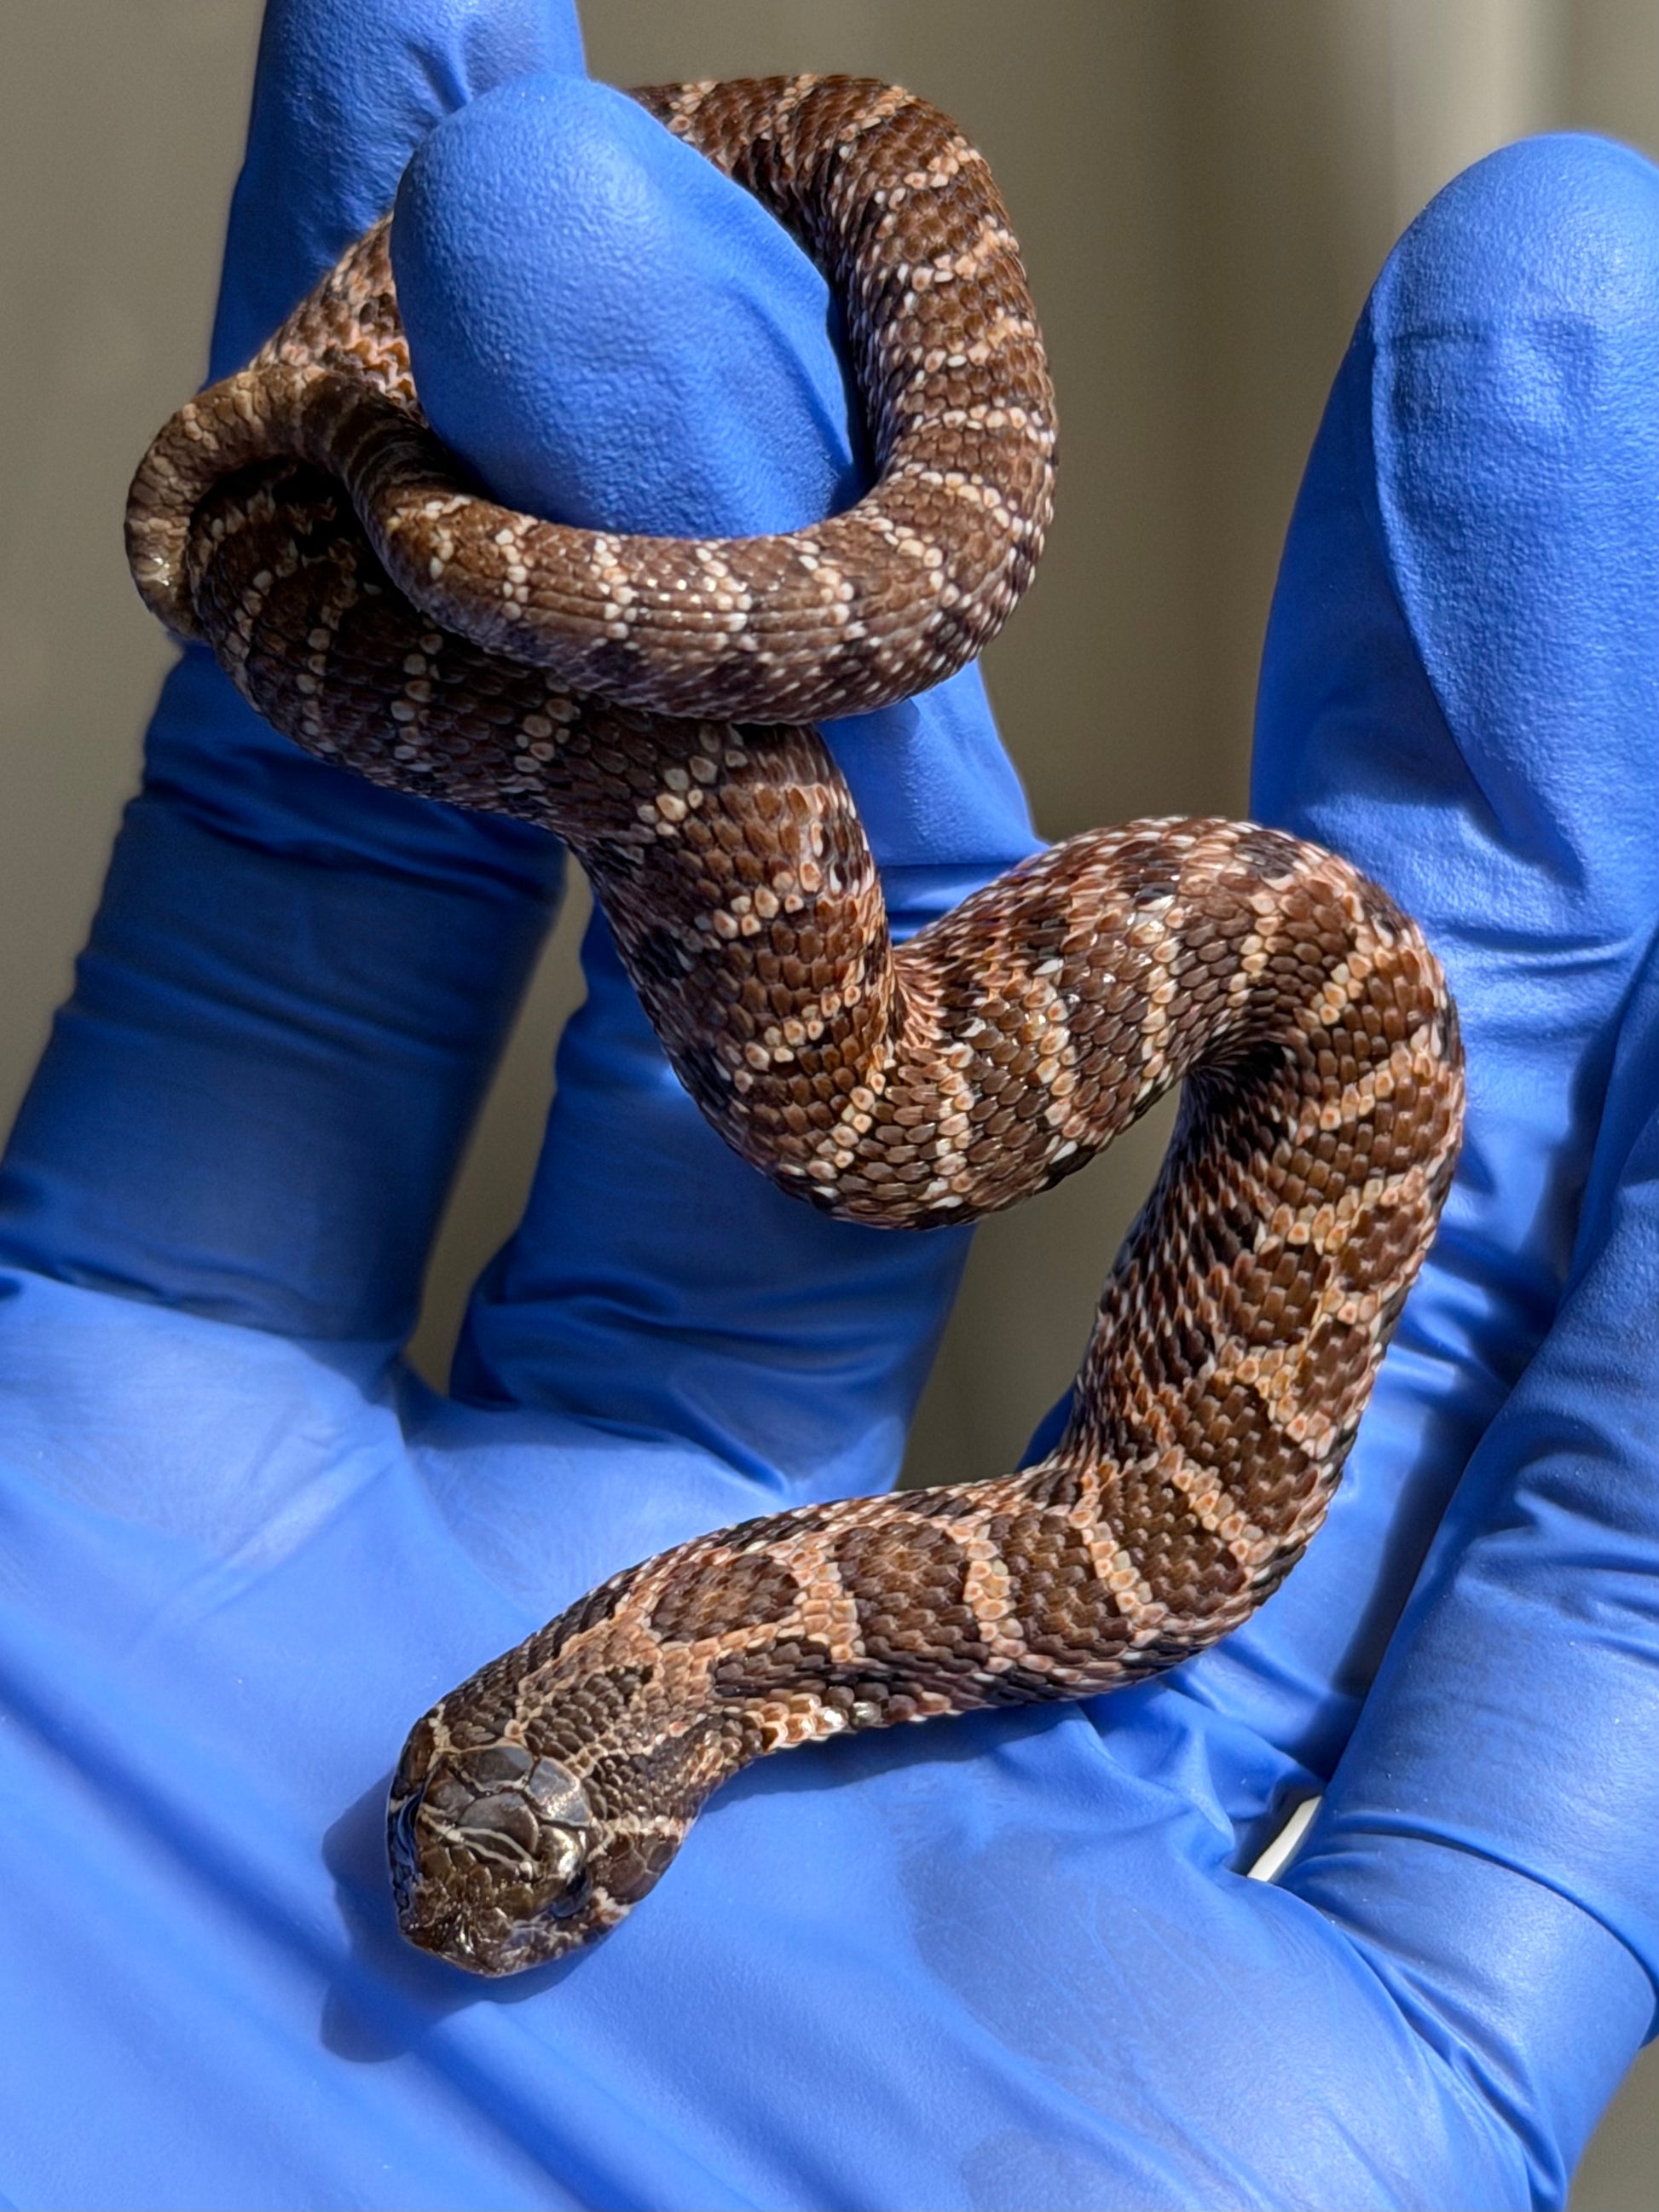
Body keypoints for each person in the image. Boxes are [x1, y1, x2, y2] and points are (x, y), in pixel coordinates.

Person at [2, 2, 1655, 2204]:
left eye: (448, 1822)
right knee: (870, 1094)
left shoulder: (737, 1663)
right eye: (533, 1864)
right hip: (1137, 1000)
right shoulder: (795, 1657)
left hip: (1227, 977)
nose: (455, 1910)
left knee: (875, 1089)